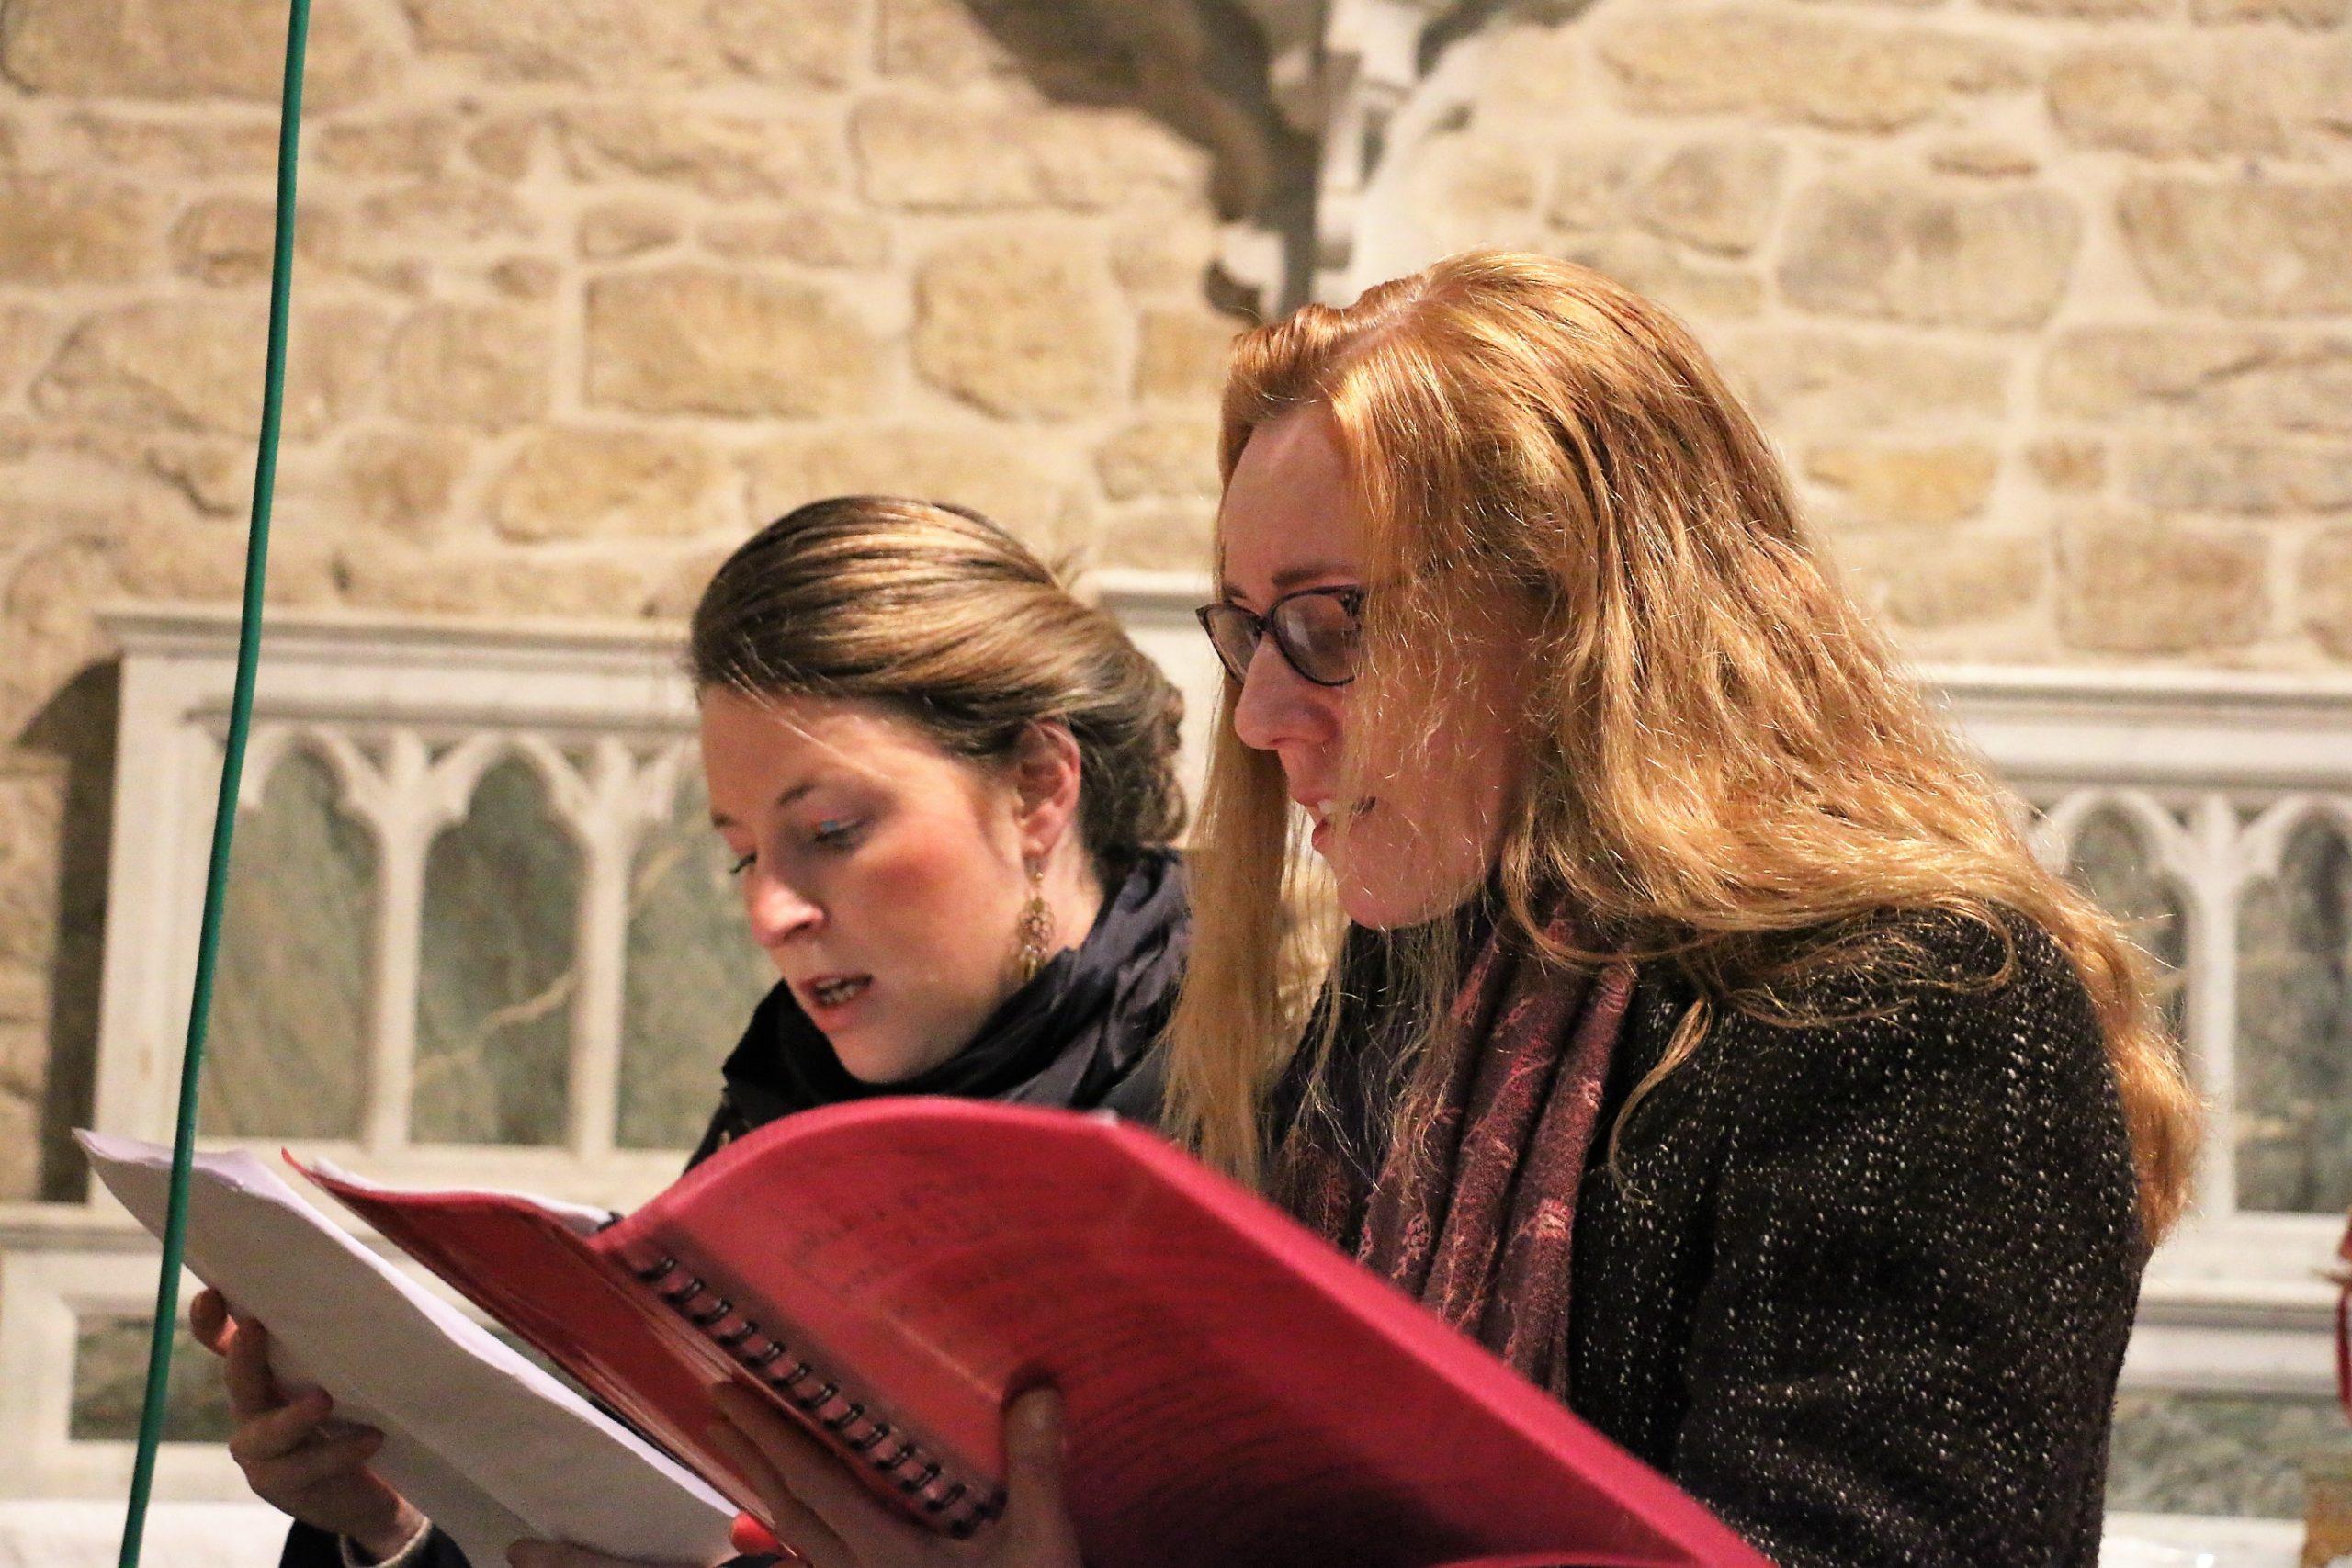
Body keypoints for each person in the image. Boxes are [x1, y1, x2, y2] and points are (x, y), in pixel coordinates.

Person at [550, 251, 2199, 1568]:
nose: (1265, 715)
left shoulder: (1914, 1007)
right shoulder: (1415, 984)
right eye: (1245, 630)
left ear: (1577, 612)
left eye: (1331, 624)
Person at [189, 495, 1192, 1568]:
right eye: (743, 854)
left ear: (1036, 788)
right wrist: (394, 1517)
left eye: (830, 830)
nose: (770, 912)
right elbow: (641, 1514)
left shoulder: (1249, 1081)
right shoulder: (780, 1098)